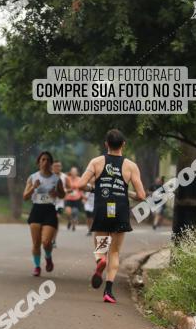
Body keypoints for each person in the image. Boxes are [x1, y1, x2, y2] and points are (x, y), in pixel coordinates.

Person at [74, 129, 146, 304]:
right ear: (123, 144)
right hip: (120, 209)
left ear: (106, 144)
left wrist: (94, 188)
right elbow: (142, 196)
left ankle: (100, 260)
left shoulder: (97, 162)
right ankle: (108, 291)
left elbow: (80, 184)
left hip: (102, 209)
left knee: (102, 247)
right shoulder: (130, 166)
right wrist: (125, 192)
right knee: (115, 251)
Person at [23, 151, 65, 276]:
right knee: (36, 243)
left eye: (48, 160)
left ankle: (48, 257)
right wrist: (33, 188)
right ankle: (37, 267)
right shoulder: (32, 177)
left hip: (50, 211)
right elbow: (25, 196)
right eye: (43, 160)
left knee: (46, 242)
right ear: (38, 162)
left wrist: (56, 194)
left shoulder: (56, 179)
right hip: (36, 210)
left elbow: (63, 195)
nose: (45, 162)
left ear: (51, 163)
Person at [51, 160, 67, 248]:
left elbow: (69, 187)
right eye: (55, 166)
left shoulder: (64, 177)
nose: (57, 168)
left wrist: (66, 191)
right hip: (49, 203)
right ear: (52, 167)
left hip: (60, 203)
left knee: (56, 220)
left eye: (59, 166)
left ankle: (53, 240)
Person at [64, 166, 83, 231]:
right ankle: (69, 221)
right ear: (70, 172)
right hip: (68, 198)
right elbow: (64, 187)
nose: (73, 173)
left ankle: (73, 225)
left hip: (76, 199)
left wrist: (82, 197)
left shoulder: (80, 179)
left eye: (75, 172)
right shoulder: (67, 179)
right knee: (68, 212)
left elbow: (81, 189)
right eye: (72, 172)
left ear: (77, 173)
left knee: (75, 212)